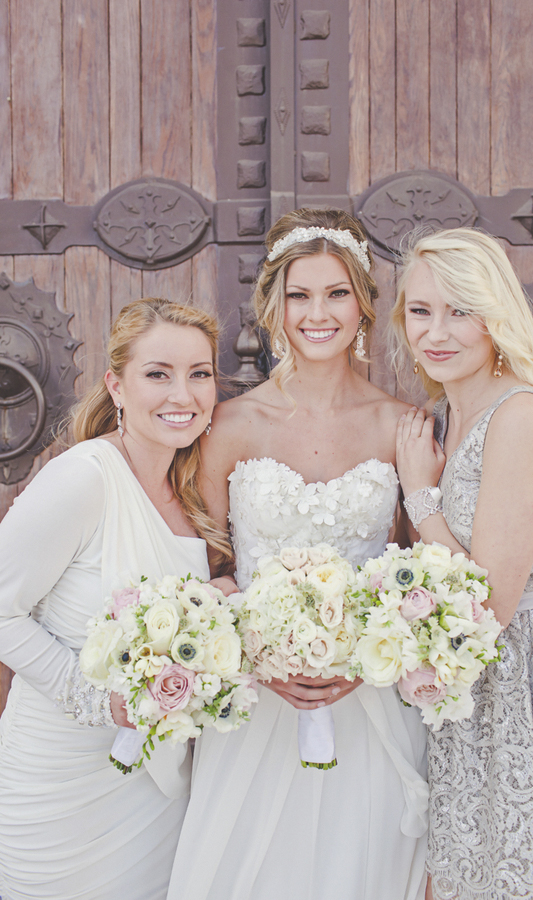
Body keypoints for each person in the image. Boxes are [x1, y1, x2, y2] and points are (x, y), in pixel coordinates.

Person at [168, 208, 429, 900]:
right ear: (274, 307)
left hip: (368, 700)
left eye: (337, 293)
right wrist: (257, 652)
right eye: (300, 295)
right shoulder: (228, 424)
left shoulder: (399, 424)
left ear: (364, 306)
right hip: (257, 705)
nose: (318, 313)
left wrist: (367, 658)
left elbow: (420, 575)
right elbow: (207, 573)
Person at [392, 227, 533, 900]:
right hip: (477, 684)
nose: (437, 331)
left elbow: (490, 602)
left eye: (460, 310)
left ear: (497, 315)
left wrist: (421, 496)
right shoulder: (448, 416)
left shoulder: (522, 416)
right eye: (421, 311)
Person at [0, 298, 231, 900]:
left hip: (153, 794)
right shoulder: (84, 478)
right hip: (60, 782)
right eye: (158, 374)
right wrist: (100, 701)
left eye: (199, 374)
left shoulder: (193, 494)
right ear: (117, 385)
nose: (182, 394)